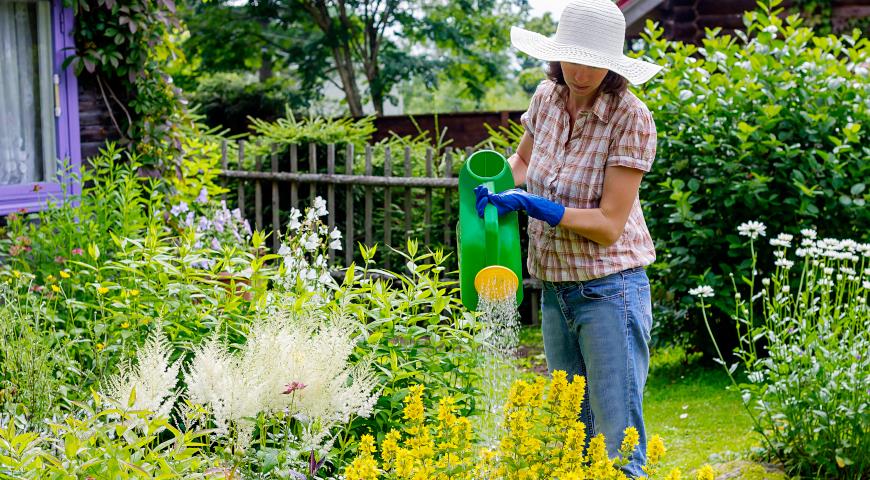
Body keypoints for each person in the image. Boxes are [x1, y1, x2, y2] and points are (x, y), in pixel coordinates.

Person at [474, 0, 663, 477]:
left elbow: (608, 224)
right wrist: (496, 184)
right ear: (556, 56)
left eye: (593, 61)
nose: (580, 71)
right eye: (571, 58)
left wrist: (543, 208)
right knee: (571, 437)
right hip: (555, 291)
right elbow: (521, 165)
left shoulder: (630, 117)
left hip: (610, 291)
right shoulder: (546, 98)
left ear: (613, 64)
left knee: (618, 447)